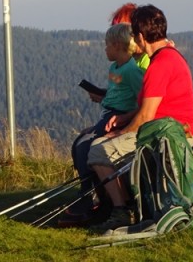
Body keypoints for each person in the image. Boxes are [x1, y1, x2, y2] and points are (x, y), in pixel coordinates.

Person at [86, 4, 193, 232]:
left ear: (139, 36)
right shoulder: (171, 56)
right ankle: (126, 205)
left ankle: (122, 210)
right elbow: (148, 108)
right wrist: (125, 117)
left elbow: (146, 116)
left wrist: (120, 132)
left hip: (170, 135)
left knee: (98, 150)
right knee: (102, 146)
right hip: (171, 129)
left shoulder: (159, 65)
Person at [61, 21, 148, 226]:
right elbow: (117, 91)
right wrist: (103, 96)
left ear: (118, 45)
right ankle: (94, 193)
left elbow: (141, 98)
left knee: (85, 146)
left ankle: (92, 198)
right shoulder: (114, 67)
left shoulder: (132, 70)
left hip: (118, 116)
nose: (105, 48)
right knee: (79, 143)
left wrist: (126, 118)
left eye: (107, 45)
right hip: (107, 114)